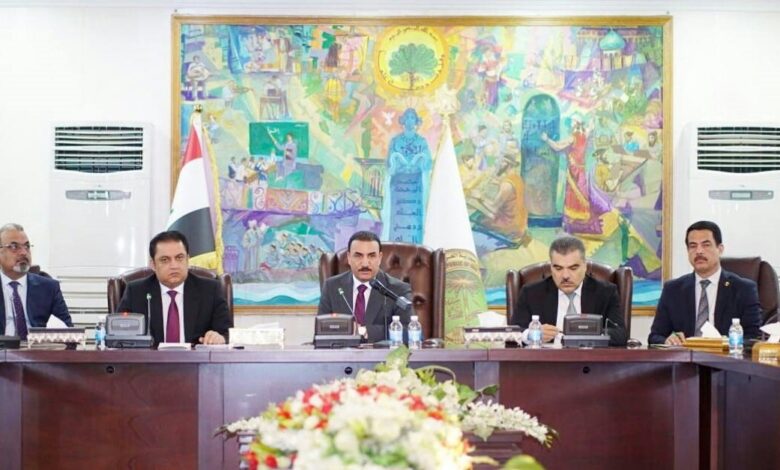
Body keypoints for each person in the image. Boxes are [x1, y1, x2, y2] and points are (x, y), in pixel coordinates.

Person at [648, 221, 761, 345]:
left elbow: (754, 338)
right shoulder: (673, 290)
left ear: (720, 249)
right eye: (693, 246)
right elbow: (655, 337)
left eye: (706, 245)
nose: (699, 251)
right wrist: (667, 340)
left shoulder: (743, 289)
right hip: (686, 356)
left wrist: (725, 344)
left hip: (725, 356)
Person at [117, 231, 231, 346]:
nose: (174, 266)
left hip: (195, 357)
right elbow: (118, 334)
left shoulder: (210, 290)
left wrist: (220, 337)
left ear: (187, 260)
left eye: (179, 258)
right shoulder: (135, 292)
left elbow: (227, 333)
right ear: (153, 265)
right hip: (151, 357)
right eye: (165, 260)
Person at [510, 235, 628, 346]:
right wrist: (532, 335)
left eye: (573, 268)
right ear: (551, 267)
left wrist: (587, 331)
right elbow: (512, 333)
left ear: (585, 266)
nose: (565, 276)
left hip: (590, 359)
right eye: (558, 268)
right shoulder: (531, 293)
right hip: (546, 359)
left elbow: (620, 335)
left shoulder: (606, 293)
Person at [317, 231, 412, 343]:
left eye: (371, 256)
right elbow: (321, 330)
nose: (365, 264)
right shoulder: (332, 286)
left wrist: (364, 331)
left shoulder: (398, 290)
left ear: (380, 258)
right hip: (342, 352)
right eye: (358, 256)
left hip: (381, 354)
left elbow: (409, 331)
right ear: (349, 258)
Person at [0, 223, 72, 339]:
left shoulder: (49, 288)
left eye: (27, 246)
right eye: (14, 247)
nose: (23, 252)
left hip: (38, 348)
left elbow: (69, 334)